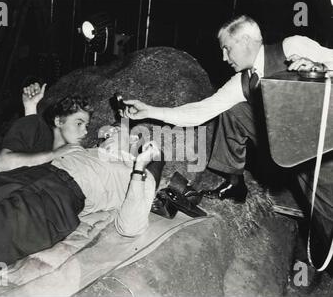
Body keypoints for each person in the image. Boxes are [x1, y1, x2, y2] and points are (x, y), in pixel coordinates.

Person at [121, 15, 333, 203]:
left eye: (227, 48)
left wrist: (321, 69)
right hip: (290, 152)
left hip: (326, 148)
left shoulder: (293, 46)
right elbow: (200, 111)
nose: (223, 57)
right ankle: (235, 183)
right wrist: (149, 111)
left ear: (247, 41)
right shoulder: (242, 81)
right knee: (235, 110)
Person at [0, 89, 163, 275]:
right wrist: (31, 108)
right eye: (109, 130)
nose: (107, 132)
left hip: (58, 199)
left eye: (115, 131)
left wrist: (140, 167)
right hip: (32, 175)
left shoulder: (135, 174)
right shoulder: (80, 150)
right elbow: (31, 147)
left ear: (134, 144)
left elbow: (130, 227)